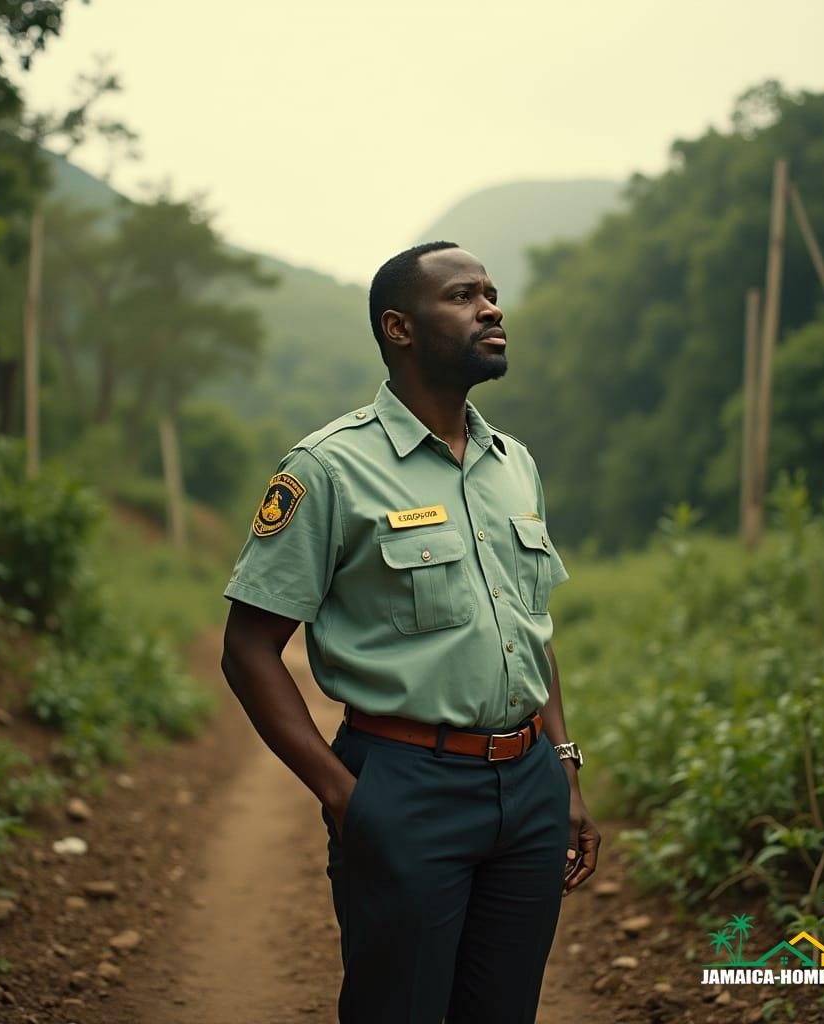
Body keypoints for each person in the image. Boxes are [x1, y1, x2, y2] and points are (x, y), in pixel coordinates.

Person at [220, 241, 600, 1024]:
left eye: (491, 293)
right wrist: (343, 797)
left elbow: (527, 630)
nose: (491, 308)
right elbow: (249, 650)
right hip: (402, 785)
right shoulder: (328, 468)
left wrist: (563, 767)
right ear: (399, 328)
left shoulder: (512, 464)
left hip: (529, 787)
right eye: (463, 296)